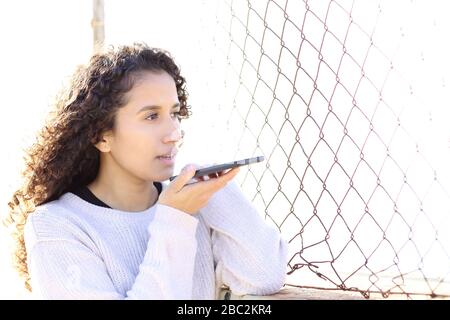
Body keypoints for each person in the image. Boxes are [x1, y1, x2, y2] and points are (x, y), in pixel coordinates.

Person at [5, 43, 288, 299]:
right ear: (101, 135)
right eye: (151, 116)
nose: (174, 133)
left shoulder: (195, 206)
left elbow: (263, 278)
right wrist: (174, 219)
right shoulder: (58, 226)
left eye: (175, 114)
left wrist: (218, 192)